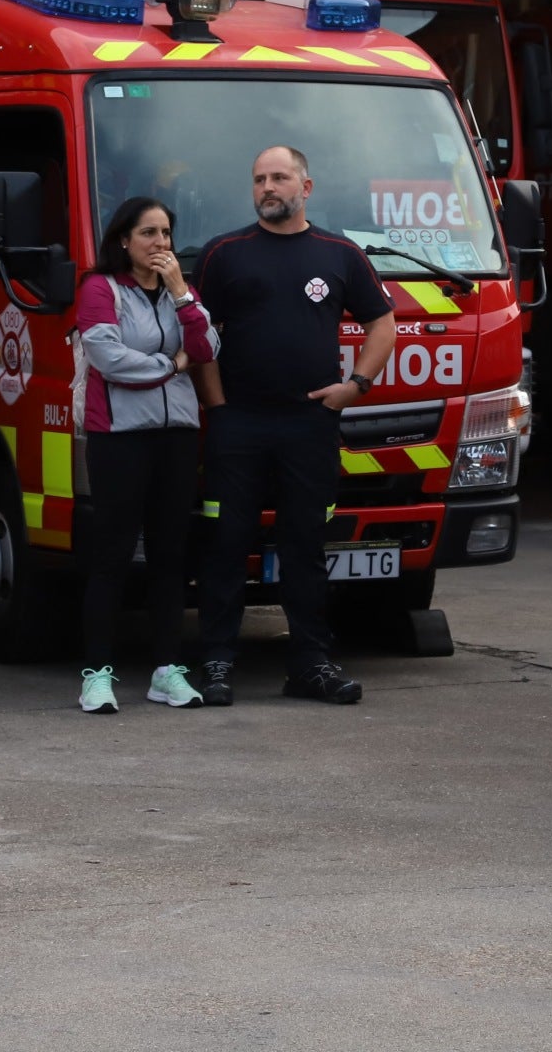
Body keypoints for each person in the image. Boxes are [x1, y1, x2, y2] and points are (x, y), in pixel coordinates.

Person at [191, 145, 396, 706]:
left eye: (279, 177)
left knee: (304, 548)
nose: (267, 187)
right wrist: (218, 408)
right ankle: (216, 662)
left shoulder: (340, 254)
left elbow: (382, 324)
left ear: (306, 188)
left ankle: (310, 665)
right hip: (238, 427)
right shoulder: (224, 254)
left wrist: (355, 386)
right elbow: (197, 334)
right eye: (259, 179)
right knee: (226, 545)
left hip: (310, 426)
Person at [69, 197, 217, 715]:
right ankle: (97, 675)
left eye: (166, 233)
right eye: (148, 233)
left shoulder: (181, 290)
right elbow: (109, 359)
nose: (160, 243)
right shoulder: (100, 288)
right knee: (111, 555)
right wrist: (171, 365)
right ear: (124, 240)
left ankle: (166, 670)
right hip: (119, 436)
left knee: (170, 556)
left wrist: (180, 292)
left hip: (177, 436)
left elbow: (208, 347)